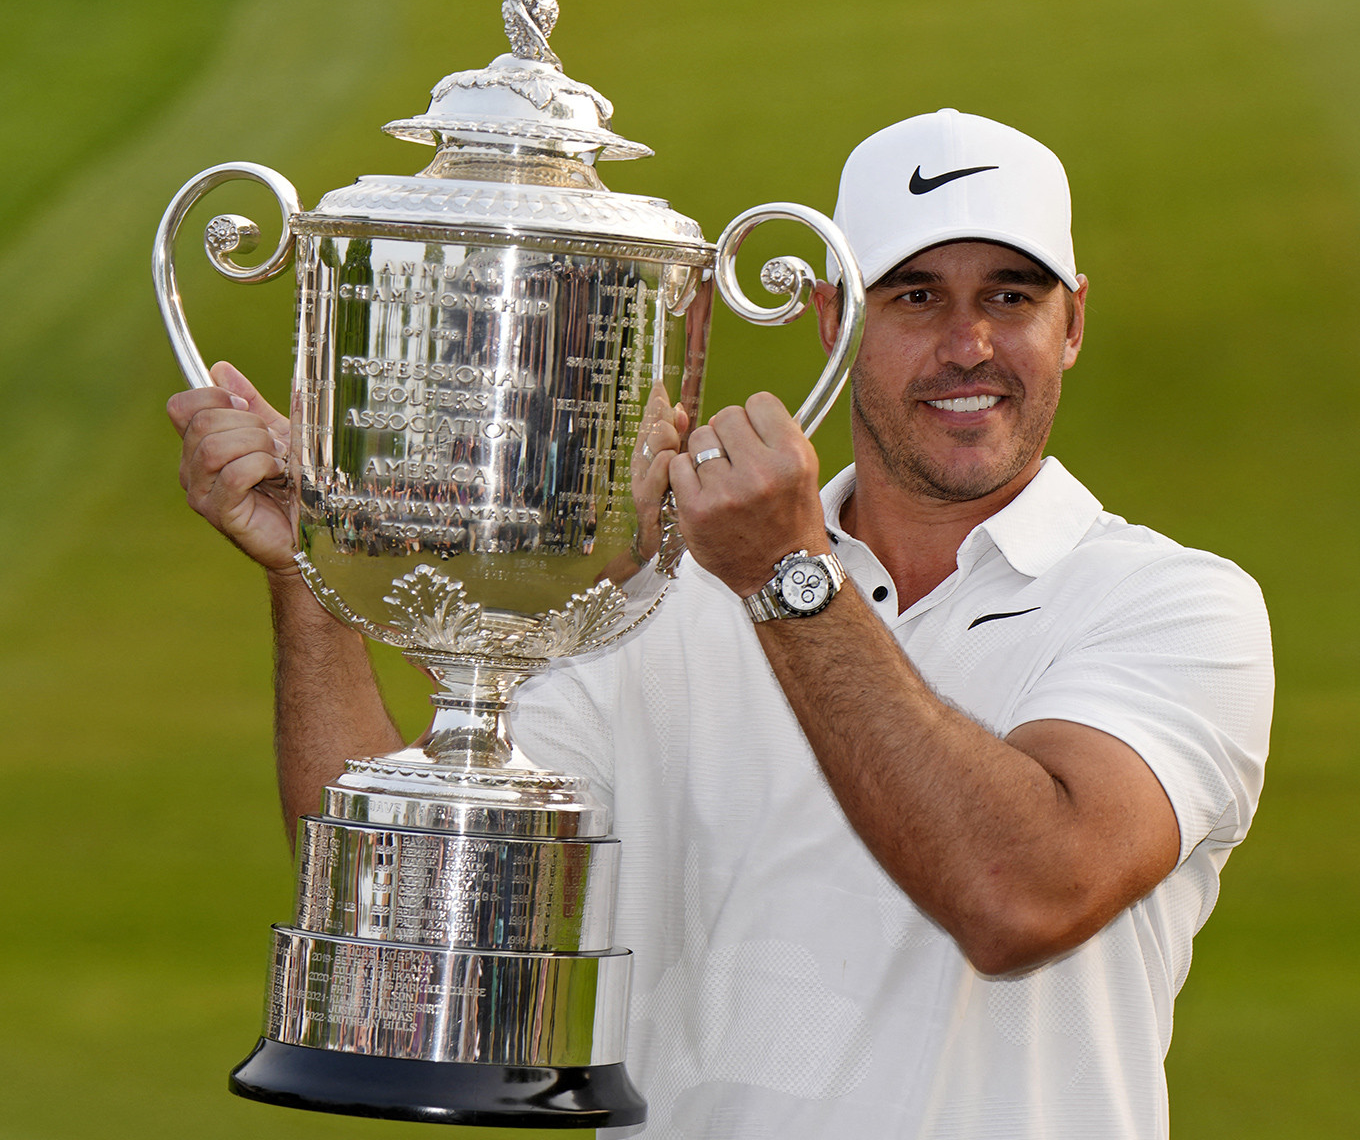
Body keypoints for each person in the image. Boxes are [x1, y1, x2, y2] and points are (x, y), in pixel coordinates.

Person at [170, 108, 1274, 1139]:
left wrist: (785, 574)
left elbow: (1021, 896)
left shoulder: (1175, 604)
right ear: (835, 321)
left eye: (1012, 298)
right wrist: (307, 587)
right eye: (916, 298)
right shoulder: (665, 602)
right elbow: (419, 926)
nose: (969, 346)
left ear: (1072, 321)